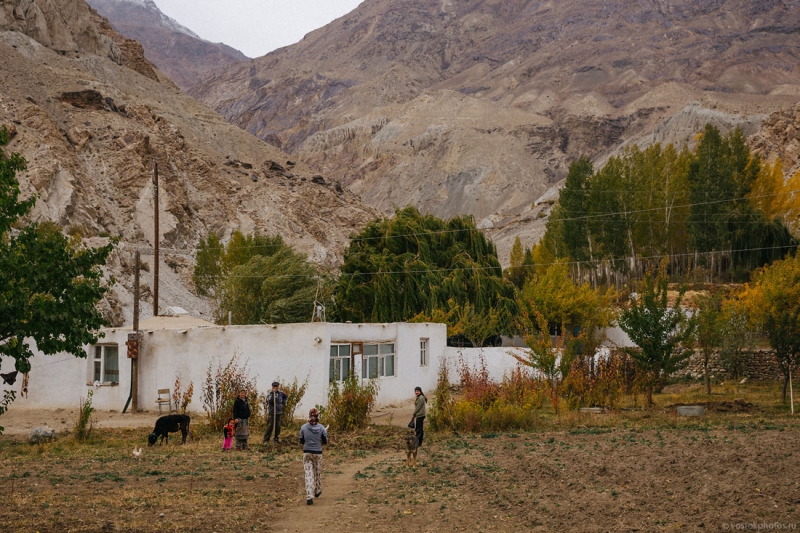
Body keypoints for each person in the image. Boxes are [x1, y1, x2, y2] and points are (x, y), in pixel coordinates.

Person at [299, 408, 328, 505]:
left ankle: (309, 496)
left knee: (308, 474)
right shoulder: (321, 428)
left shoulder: (303, 427)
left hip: (307, 453)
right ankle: (317, 490)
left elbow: (301, 441)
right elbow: (325, 441)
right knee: (317, 472)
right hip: (318, 453)